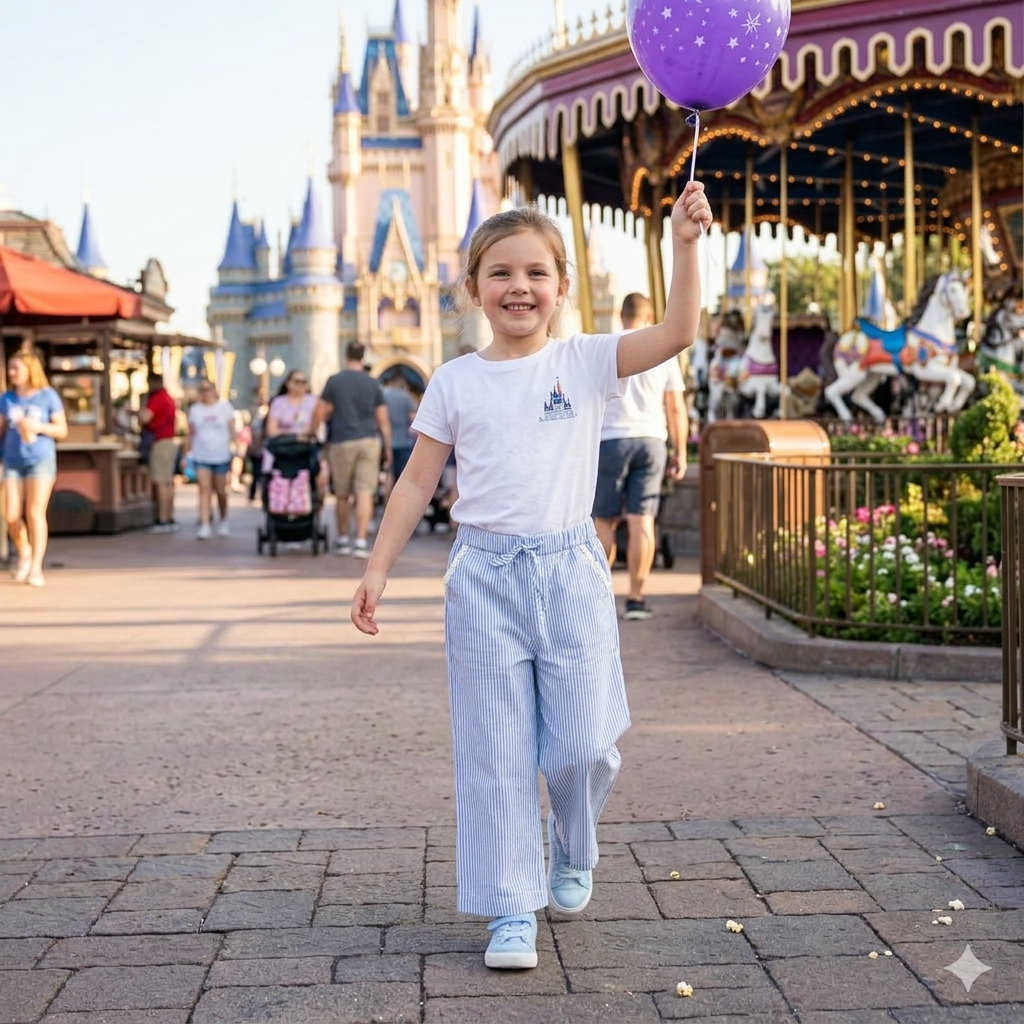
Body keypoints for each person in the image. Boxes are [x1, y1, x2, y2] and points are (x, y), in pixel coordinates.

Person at [351, 183, 711, 970]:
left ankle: (571, 846)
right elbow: (416, 484)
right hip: (482, 577)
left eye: (537, 272)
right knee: (496, 752)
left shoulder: (585, 362)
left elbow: (680, 330)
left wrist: (685, 248)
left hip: (569, 571)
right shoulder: (452, 381)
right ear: (474, 287)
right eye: (502, 272)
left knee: (582, 746)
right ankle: (511, 907)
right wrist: (377, 570)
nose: (520, 286)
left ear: (561, 288)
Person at [592, 293, 689, 620]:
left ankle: (598, 599)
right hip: (651, 439)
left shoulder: (605, 347)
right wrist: (681, 451)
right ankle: (636, 597)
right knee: (642, 520)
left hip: (611, 440)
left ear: (621, 316)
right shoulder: (663, 351)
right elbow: (676, 408)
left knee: (603, 520)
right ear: (649, 318)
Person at [311, 341, 392, 558]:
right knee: (365, 492)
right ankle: (361, 541)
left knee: (342, 494)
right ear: (363, 357)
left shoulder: (335, 381)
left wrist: (312, 432)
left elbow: (321, 410)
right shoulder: (373, 383)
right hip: (368, 441)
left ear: (346, 356)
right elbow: (382, 419)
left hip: (341, 442)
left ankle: (343, 538)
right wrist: (388, 447)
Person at [0, 349, 68, 586]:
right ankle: (24, 551)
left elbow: (62, 430)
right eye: (10, 368)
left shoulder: (47, 396)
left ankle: (36, 567)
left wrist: (37, 426)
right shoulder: (7, 399)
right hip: (12, 460)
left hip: (40, 459)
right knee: (10, 514)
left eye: (16, 368)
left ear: (30, 369)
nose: (11, 373)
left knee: (35, 511)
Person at [185, 380, 235, 539]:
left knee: (221, 490)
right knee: (204, 489)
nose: (205, 393)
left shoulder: (225, 408)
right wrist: (187, 454)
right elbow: (190, 433)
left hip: (221, 454)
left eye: (208, 389)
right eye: (202, 390)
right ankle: (205, 523)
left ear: (214, 391)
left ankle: (224, 519)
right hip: (201, 454)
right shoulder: (195, 410)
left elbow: (232, 430)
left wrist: (235, 448)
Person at [263, 369, 328, 494]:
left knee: (318, 465)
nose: (300, 385)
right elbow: (271, 430)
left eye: (304, 382)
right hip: (283, 445)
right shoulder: (279, 402)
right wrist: (294, 435)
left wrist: (306, 434)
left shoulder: (314, 402)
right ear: (288, 383)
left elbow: (318, 425)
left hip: (307, 445)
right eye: (297, 381)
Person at [140, 373, 179, 533]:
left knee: (161, 482)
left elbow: (145, 418)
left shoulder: (158, 398)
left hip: (160, 442)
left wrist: (138, 409)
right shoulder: (168, 398)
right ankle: (168, 518)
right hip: (169, 441)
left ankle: (162, 520)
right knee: (168, 482)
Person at [382, 376, 417, 481]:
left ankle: (387, 496)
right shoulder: (406, 396)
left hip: (385, 440)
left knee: (388, 472)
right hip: (403, 441)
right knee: (402, 473)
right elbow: (413, 417)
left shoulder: (383, 395)